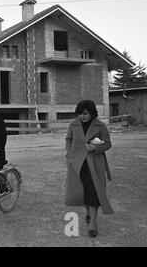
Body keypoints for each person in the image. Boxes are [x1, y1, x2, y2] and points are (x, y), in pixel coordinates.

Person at [65, 100, 114, 238]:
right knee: (80, 193)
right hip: (77, 163)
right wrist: (69, 153)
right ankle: (87, 211)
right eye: (80, 113)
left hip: (94, 164)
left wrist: (95, 148)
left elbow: (108, 144)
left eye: (85, 113)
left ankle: (93, 223)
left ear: (92, 113)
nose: (82, 116)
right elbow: (68, 139)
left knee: (93, 193)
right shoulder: (73, 124)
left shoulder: (100, 126)